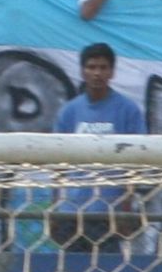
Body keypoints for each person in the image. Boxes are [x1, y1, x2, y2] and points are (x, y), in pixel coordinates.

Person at [49, 41, 144, 251]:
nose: (97, 73)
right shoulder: (69, 112)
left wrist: (125, 209)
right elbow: (58, 165)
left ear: (112, 72)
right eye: (91, 67)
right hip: (72, 212)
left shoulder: (128, 110)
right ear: (83, 71)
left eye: (103, 67)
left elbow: (134, 165)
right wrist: (55, 207)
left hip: (108, 213)